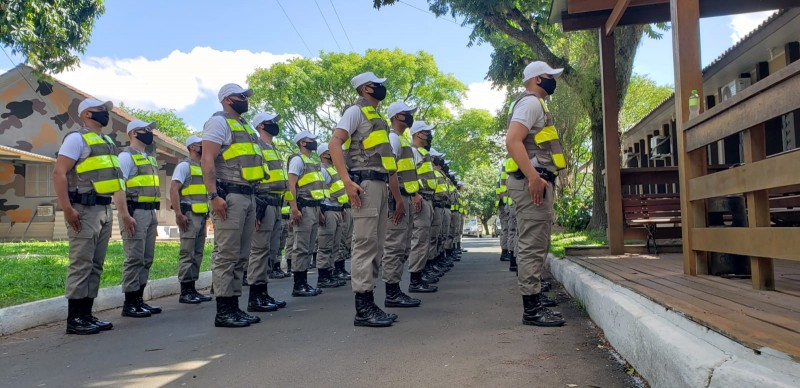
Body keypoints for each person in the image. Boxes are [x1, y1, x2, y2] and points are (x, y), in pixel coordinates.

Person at [328, 72, 398, 328]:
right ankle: (363, 308)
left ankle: (370, 303)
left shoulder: (375, 116)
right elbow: (335, 143)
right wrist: (347, 182)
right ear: (367, 88)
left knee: (376, 246)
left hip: (379, 185)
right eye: (378, 84)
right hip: (366, 184)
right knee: (366, 245)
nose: (382, 88)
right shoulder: (355, 111)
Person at [54, 98, 124, 335]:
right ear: (86, 115)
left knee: (95, 264)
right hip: (82, 209)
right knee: (81, 262)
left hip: (103, 208)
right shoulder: (76, 139)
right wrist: (67, 208)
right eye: (100, 111)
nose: (105, 114)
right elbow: (59, 172)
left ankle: (87, 314)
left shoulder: (107, 142)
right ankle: (75, 319)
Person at [505, 61, 567, 327]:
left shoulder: (536, 105)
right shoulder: (530, 103)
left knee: (536, 244)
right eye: (550, 76)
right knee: (532, 246)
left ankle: (535, 300)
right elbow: (512, 140)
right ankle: (532, 311)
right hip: (532, 183)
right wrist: (533, 177)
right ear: (538, 79)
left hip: (537, 181)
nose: (554, 80)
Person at [201, 83, 265, 328]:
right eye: (240, 96)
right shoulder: (219, 123)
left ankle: (235, 306)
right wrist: (213, 195)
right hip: (229, 196)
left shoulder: (244, 126)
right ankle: (224, 310)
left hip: (248, 195)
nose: (245, 99)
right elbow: (207, 160)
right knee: (226, 254)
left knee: (240, 255)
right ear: (227, 99)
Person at [116, 119, 162, 318]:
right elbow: (118, 187)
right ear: (134, 133)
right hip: (134, 212)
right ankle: (130, 303)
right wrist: (125, 215)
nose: (150, 133)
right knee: (134, 258)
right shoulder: (126, 157)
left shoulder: (149, 157)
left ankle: (139, 300)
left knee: (146, 258)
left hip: (149, 212)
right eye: (146, 130)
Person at [247, 111, 291, 312]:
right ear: (261, 126)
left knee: (270, 250)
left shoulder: (271, 147)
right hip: (263, 202)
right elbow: (251, 177)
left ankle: (263, 293)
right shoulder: (256, 146)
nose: (275, 124)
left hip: (276, 203)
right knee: (259, 250)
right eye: (271, 122)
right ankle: (255, 296)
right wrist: (256, 208)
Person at [382, 101, 422, 307]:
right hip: (397, 200)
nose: (410, 117)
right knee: (394, 246)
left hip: (405, 198)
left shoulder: (400, 140)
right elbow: (391, 173)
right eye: (407, 114)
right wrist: (397, 200)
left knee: (403, 246)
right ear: (398, 116)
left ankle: (395, 290)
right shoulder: (393, 139)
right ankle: (391, 293)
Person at [170, 135, 212, 304]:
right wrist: (178, 214)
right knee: (187, 252)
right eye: (201, 144)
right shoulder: (184, 166)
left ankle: (192, 288)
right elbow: (173, 189)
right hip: (189, 215)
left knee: (198, 253)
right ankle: (185, 291)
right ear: (193, 147)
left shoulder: (202, 167)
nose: (204, 146)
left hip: (201, 216)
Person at [287, 130, 325, 297]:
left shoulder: (311, 161)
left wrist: (319, 211)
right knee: (301, 247)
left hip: (314, 208)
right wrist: (294, 208)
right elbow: (291, 185)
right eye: (311, 139)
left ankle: (304, 283)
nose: (314, 142)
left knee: (309, 247)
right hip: (303, 208)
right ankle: (298, 284)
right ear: (302, 142)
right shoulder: (297, 160)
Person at [408, 121, 438, 293]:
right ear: (418, 134)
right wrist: (414, 194)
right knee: (419, 239)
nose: (429, 135)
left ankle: (420, 275)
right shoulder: (413, 152)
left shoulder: (421, 153)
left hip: (427, 199)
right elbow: (408, 175)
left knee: (424, 239)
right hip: (419, 198)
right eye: (426, 132)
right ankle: (415, 280)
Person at [316, 143, 348, 288]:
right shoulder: (322, 170)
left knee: (335, 244)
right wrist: (320, 211)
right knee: (325, 244)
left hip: (336, 209)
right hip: (327, 210)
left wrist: (341, 208)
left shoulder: (332, 170)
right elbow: (319, 193)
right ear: (324, 154)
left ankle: (331, 273)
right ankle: (323, 277)